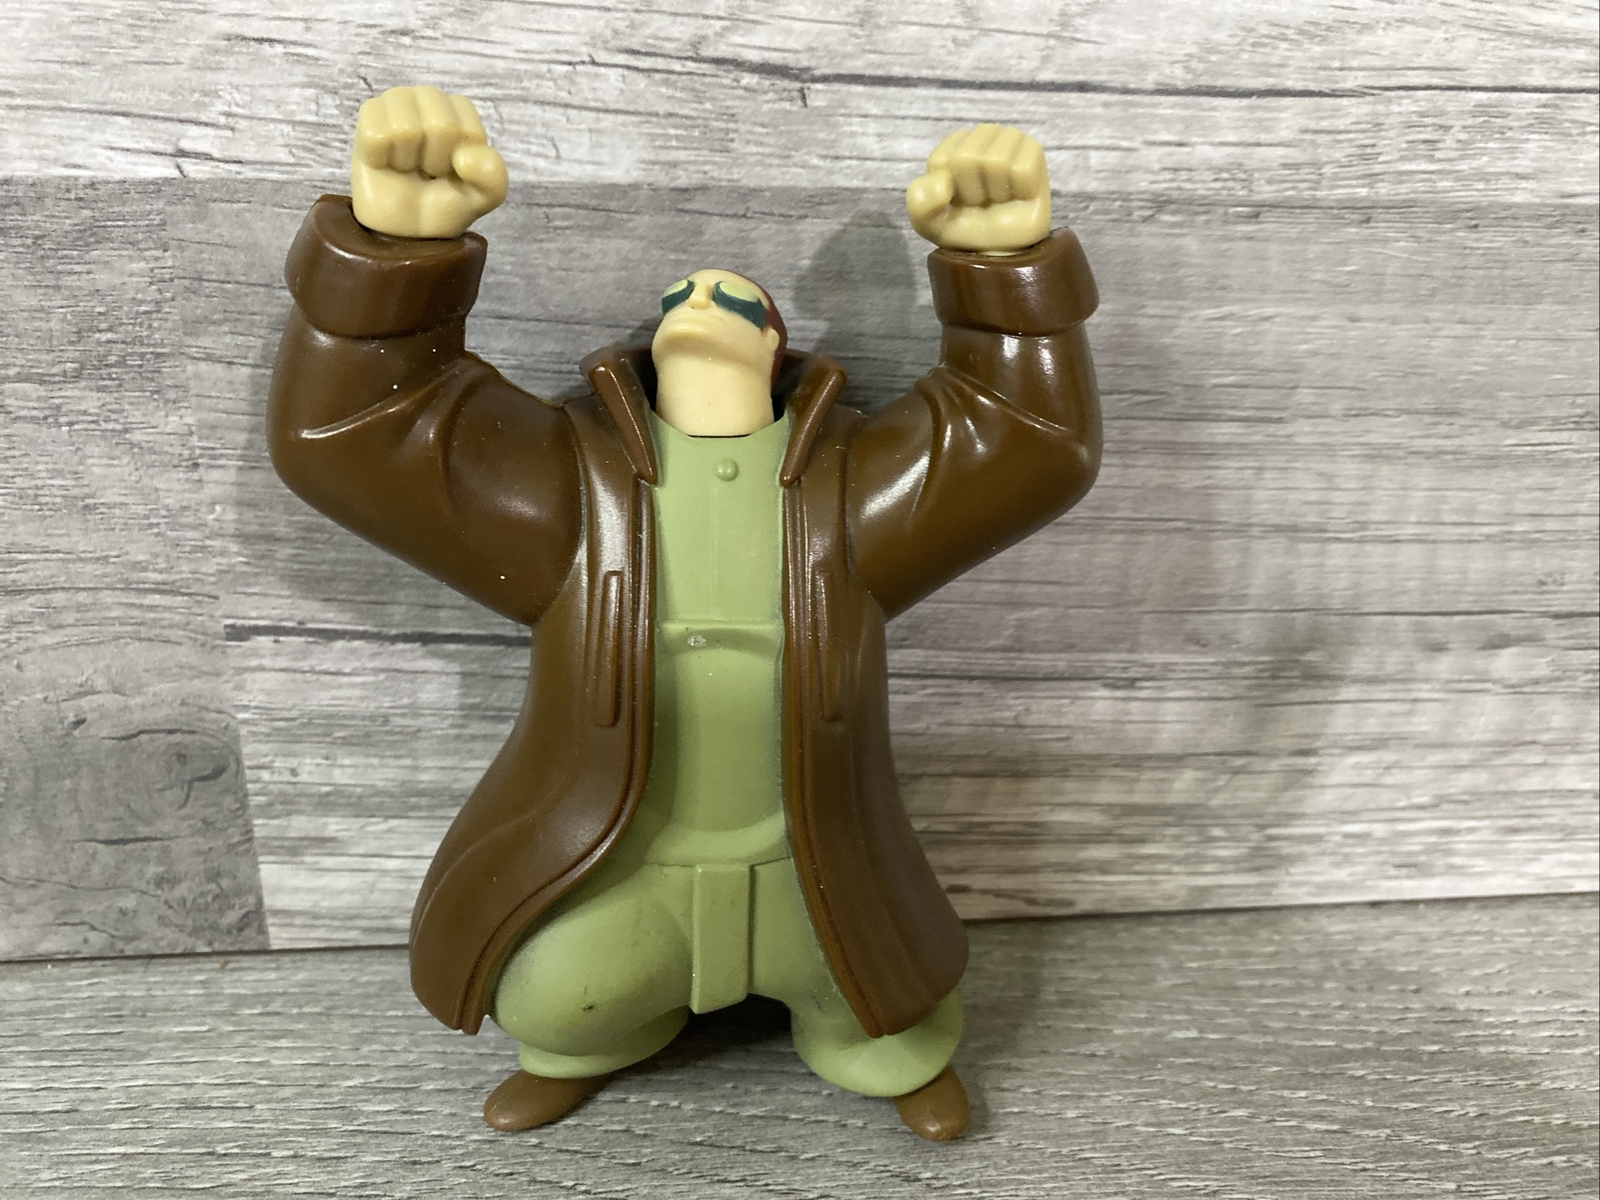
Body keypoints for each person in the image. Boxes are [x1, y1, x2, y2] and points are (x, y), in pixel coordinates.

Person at [269, 85, 1101, 1141]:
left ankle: (888, 1050)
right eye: (682, 298)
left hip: (813, 872)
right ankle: (591, 1041)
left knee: (880, 1012)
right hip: (625, 866)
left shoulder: (848, 489)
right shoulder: (574, 489)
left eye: (735, 302)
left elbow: (1021, 436)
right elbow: (360, 431)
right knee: (555, 1000)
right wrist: (394, 250)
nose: (703, 304)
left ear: (777, 353)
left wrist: (1002, 274)